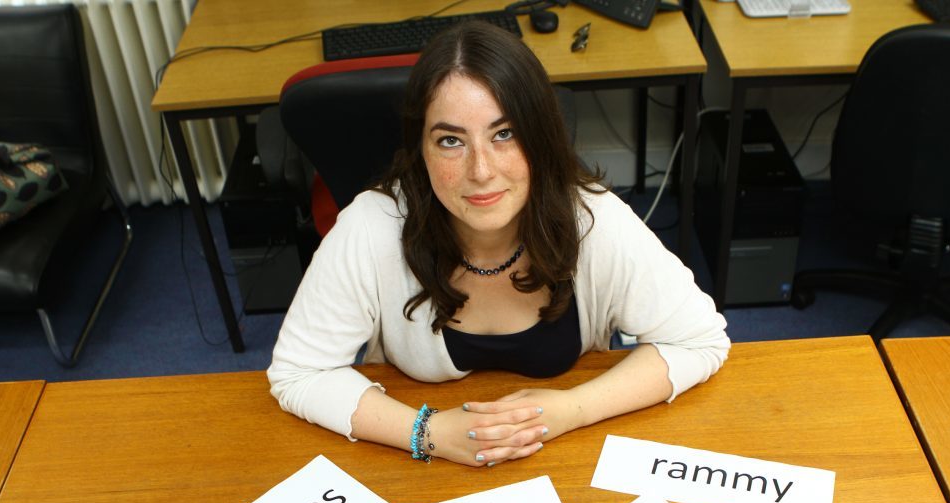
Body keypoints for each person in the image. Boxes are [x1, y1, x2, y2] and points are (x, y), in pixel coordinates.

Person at [268, 22, 729, 468]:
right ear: (420, 150)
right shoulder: (371, 226)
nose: (481, 171)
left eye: (504, 134)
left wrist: (575, 409)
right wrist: (424, 433)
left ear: (540, 136)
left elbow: (700, 340)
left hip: (569, 459)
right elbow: (297, 373)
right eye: (451, 141)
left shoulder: (593, 218)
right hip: (413, 472)